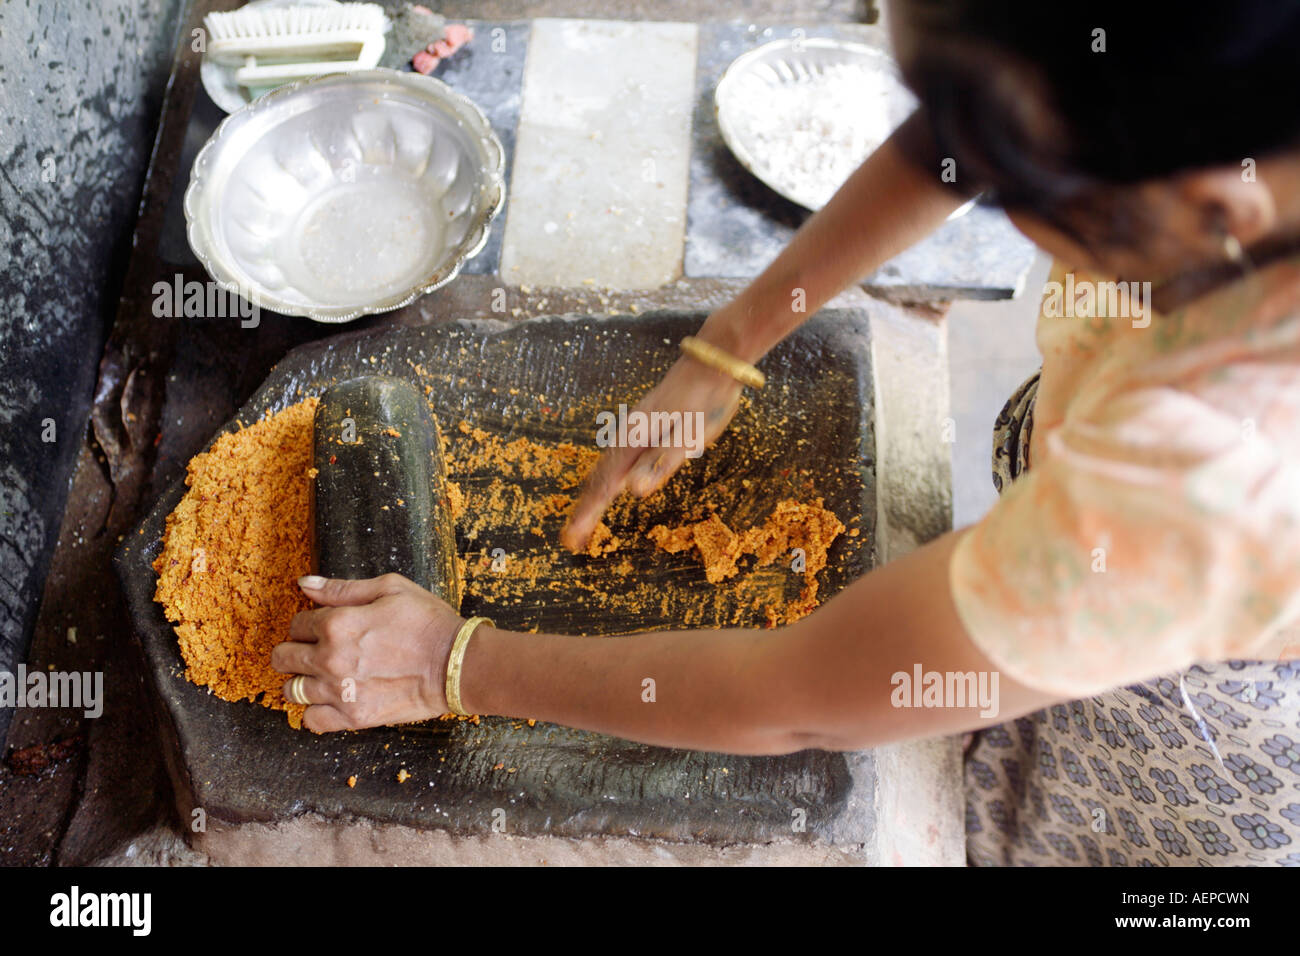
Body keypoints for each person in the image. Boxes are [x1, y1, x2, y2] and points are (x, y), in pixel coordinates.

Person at [273, 0, 1300, 865]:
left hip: (1197, 732)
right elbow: (974, 125)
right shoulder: (1214, 108)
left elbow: (800, 697)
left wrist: (453, 662)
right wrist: (728, 344)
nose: (966, 165)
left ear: (1203, 211)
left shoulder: (1205, 470)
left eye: (1013, 180)